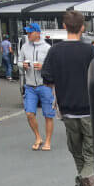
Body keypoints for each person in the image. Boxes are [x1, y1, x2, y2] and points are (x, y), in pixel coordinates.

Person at [41, 10, 94, 186]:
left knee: (77, 152)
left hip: (68, 112)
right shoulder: (90, 50)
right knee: (91, 154)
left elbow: (47, 78)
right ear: (83, 27)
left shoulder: (55, 51)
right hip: (89, 110)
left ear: (64, 26)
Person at [20, 23, 53, 151]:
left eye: (30, 32)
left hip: (44, 85)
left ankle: (48, 141)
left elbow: (52, 67)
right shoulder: (24, 47)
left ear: (38, 33)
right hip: (30, 86)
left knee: (48, 115)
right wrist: (22, 65)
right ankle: (38, 137)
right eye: (27, 32)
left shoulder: (47, 48)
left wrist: (43, 66)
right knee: (29, 113)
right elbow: (18, 61)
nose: (28, 35)